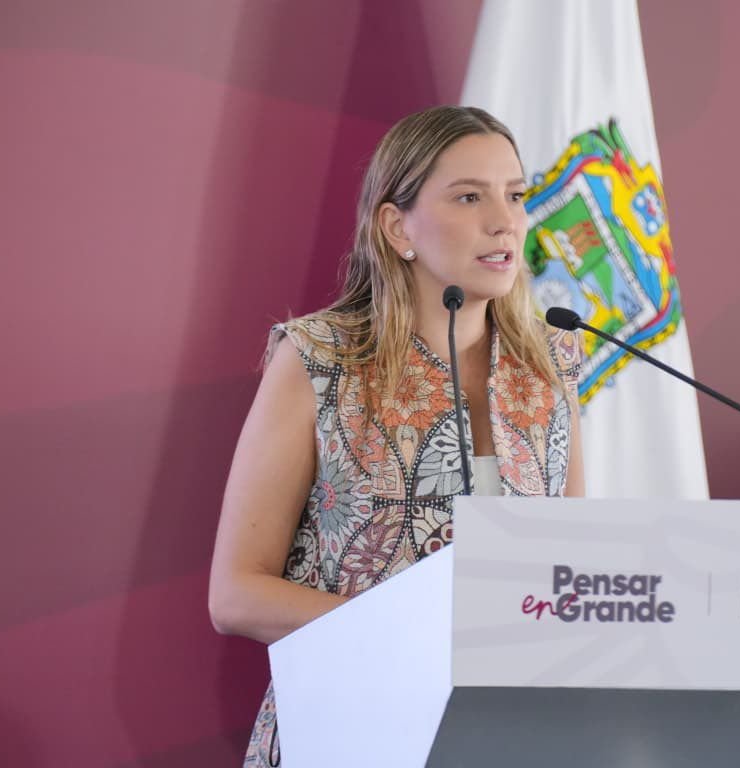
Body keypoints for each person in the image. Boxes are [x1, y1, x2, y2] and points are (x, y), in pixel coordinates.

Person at [208, 105, 585, 767]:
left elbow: (571, 570)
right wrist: (417, 632)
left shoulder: (552, 364)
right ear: (396, 227)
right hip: (351, 731)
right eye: (469, 197)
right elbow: (236, 594)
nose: (505, 220)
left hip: (513, 738)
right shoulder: (319, 358)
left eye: (516, 195)